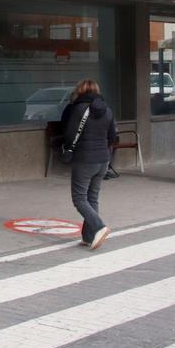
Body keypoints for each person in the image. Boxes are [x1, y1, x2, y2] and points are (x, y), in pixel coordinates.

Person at [59, 79, 118, 250]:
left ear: (80, 91)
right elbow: (112, 136)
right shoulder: (107, 110)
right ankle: (88, 236)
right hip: (103, 160)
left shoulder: (78, 109)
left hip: (84, 159)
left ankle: (99, 227)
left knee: (79, 198)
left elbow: (70, 135)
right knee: (92, 198)